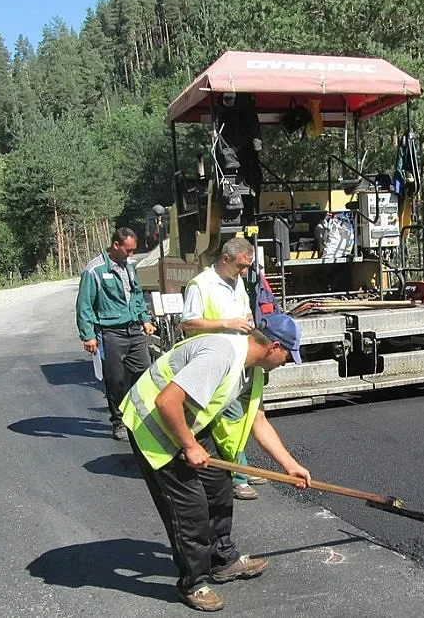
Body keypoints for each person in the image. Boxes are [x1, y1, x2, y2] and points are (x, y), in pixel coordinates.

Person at [118, 314, 310, 612]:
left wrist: (290, 465)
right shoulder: (220, 356)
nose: (287, 362)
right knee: (190, 508)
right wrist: (190, 445)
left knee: (220, 488)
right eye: (288, 355)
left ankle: (222, 559)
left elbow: (258, 421)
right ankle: (192, 583)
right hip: (152, 424)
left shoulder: (254, 370)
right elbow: (166, 401)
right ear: (273, 347)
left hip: (187, 421)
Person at [180, 236, 268, 500]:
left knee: (243, 416)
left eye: (247, 267)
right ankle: (237, 476)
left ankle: (240, 465)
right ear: (225, 258)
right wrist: (227, 323)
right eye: (240, 266)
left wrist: (249, 322)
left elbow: (244, 311)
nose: (243, 272)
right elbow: (188, 323)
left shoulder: (237, 280)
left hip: (240, 357)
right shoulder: (201, 285)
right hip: (215, 363)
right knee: (229, 419)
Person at [77, 227, 156, 440]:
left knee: (146, 374)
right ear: (115, 245)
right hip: (111, 333)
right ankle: (119, 421)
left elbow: (137, 294)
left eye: (133, 251)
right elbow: (84, 305)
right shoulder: (94, 270)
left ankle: (143, 417)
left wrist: (145, 319)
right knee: (116, 379)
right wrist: (88, 335)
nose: (131, 255)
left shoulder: (129, 267)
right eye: (128, 250)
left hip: (134, 330)